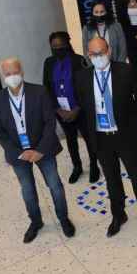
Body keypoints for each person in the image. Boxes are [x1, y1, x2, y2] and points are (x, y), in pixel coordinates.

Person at [75, 37, 137, 236]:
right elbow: (84, 105)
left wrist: (129, 114)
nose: (98, 57)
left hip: (125, 135)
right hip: (101, 138)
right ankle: (118, 215)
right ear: (88, 55)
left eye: (101, 52)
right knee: (111, 179)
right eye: (94, 54)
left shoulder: (126, 71)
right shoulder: (82, 77)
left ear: (109, 51)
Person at [0, 57, 75, 243]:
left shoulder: (39, 92)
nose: (12, 77)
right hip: (18, 153)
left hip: (42, 149)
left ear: (22, 72)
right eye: (8, 74)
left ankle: (63, 219)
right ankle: (36, 222)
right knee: (27, 190)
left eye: (15, 72)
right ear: (3, 76)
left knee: (55, 186)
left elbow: (49, 122)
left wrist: (40, 150)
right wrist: (20, 153)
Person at [43, 32, 99, 184]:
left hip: (80, 110)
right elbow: (47, 88)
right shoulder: (48, 63)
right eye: (54, 47)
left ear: (67, 45)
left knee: (88, 138)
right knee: (71, 139)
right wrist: (58, 109)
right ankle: (77, 166)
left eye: (61, 46)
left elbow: (86, 87)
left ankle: (94, 165)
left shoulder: (78, 60)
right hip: (61, 111)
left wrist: (77, 109)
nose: (58, 49)